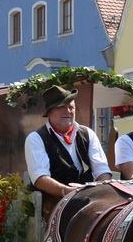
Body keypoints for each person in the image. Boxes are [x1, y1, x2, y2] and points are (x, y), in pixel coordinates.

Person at [24, 84, 111, 220]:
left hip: (88, 196)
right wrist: (67, 191)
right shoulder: (36, 138)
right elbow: (40, 179)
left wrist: (100, 189)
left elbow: (102, 169)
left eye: (71, 107)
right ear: (49, 112)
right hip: (53, 199)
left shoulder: (88, 133)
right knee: (75, 217)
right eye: (62, 107)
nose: (68, 111)